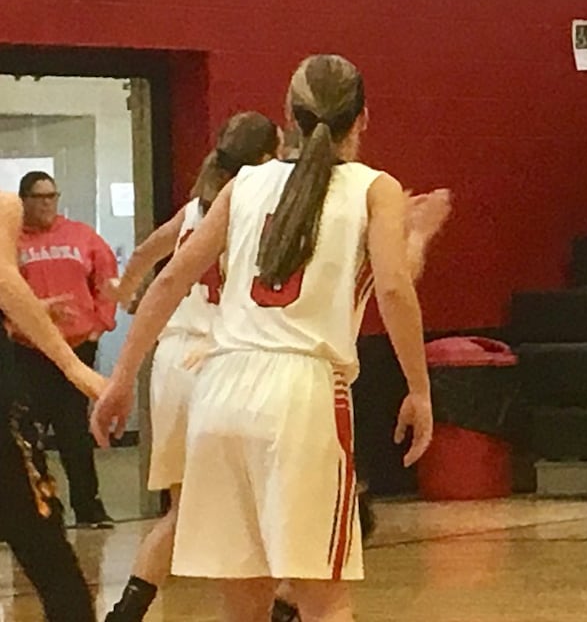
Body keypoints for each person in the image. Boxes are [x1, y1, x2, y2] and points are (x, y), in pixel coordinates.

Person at [92, 54, 434, 622]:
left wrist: (122, 377)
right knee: (324, 601)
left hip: (220, 392)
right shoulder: (376, 188)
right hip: (303, 393)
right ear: (364, 118)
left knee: (244, 603)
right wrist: (420, 390)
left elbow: (171, 276)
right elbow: (395, 290)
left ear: (288, 118)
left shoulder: (245, 183)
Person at [101, 111, 282, 622]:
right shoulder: (257, 211)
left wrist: (120, 293)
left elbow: (142, 255)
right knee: (263, 506)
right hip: (218, 363)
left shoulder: (196, 209)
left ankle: (127, 611)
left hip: (169, 363)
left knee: (184, 511)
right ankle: (284, 604)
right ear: (270, 156)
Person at [1, 190, 105, 622]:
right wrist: (73, 367)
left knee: (44, 543)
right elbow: (5, 279)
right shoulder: (4, 206)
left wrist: (28, 313)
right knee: (47, 551)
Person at [13, 170, 118, 529]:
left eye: (52, 196)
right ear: (23, 201)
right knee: (28, 434)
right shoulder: (12, 241)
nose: (47, 204)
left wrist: (99, 326)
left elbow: (107, 278)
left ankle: (88, 507)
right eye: (39, 197)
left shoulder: (80, 235)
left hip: (76, 349)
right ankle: (42, 509)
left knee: (75, 432)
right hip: (27, 351)